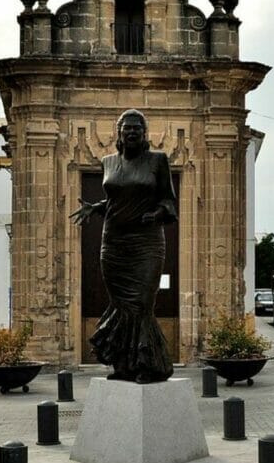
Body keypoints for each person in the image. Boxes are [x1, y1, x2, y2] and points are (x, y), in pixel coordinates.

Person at [70, 109, 177, 384]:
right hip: (114, 244)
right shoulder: (108, 162)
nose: (131, 132)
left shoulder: (157, 161)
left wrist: (157, 214)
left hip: (146, 243)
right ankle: (123, 364)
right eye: (126, 128)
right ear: (118, 133)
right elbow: (117, 201)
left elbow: (169, 201)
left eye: (136, 128)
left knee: (141, 304)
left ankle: (150, 365)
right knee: (121, 305)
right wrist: (95, 207)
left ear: (144, 133)